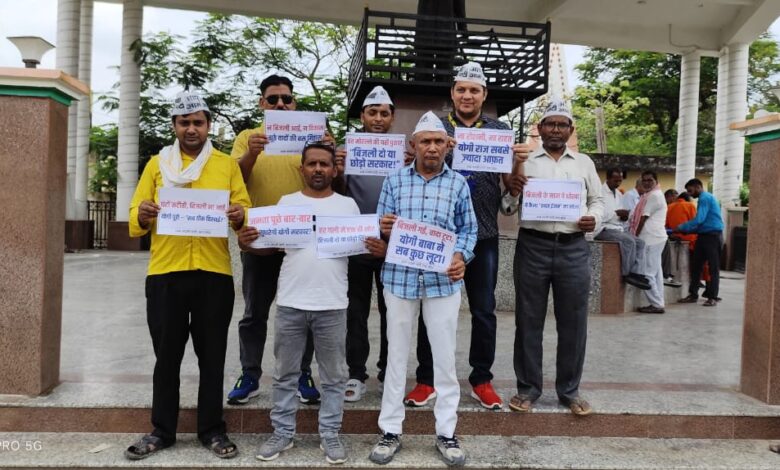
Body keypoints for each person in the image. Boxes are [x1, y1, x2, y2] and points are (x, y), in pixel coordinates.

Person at [240, 142, 385, 464]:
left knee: (334, 377)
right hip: (291, 302)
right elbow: (270, 246)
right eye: (312, 164)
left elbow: (360, 246)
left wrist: (377, 248)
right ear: (301, 168)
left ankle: (330, 434)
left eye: (324, 164)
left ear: (334, 170)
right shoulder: (287, 203)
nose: (318, 169)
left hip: (332, 304)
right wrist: (247, 244)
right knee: (285, 374)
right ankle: (282, 433)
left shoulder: (348, 206)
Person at [124, 92, 250, 460]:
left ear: (209, 125)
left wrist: (239, 214)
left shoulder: (226, 166)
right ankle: (162, 431)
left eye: (198, 122)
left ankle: (212, 430)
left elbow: (245, 209)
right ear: (174, 126)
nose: (191, 128)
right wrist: (143, 213)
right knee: (166, 357)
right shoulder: (156, 165)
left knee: (212, 357)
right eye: (184, 122)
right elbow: (134, 216)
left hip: (214, 273)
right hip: (166, 273)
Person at [405, 61, 529, 411]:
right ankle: (427, 379)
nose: (467, 95)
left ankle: (481, 379)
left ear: (484, 94)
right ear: (453, 93)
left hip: (484, 234)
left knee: (484, 309)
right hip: (438, 235)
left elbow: (509, 192)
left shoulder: (499, 130)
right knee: (431, 308)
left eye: (474, 90)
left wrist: (517, 167)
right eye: (461, 89)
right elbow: (417, 167)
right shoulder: (436, 127)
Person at [368, 111, 477, 466]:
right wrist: (384, 229)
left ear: (448, 146)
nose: (432, 147)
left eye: (438, 141)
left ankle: (446, 432)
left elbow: (468, 229)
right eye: (426, 141)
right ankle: (390, 430)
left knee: (444, 359)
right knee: (396, 357)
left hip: (442, 281)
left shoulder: (458, 184)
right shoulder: (394, 180)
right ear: (413, 145)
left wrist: (461, 255)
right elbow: (381, 225)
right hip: (399, 280)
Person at [501, 99, 603, 416]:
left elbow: (598, 201)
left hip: (574, 247)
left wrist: (594, 219)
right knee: (528, 320)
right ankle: (528, 389)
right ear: (540, 129)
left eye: (562, 124)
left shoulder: (584, 163)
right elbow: (507, 207)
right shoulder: (524, 161)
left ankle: (569, 391)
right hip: (533, 245)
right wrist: (513, 190)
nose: (556, 129)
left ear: (571, 129)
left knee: (574, 322)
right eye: (550, 124)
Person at [228, 74, 320, 406]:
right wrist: (251, 154)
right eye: (273, 99)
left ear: (294, 103)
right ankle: (250, 374)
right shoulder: (247, 137)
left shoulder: (310, 137)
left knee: (304, 312)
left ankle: (301, 373)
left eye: (287, 99)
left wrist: (327, 149)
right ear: (261, 103)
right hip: (260, 239)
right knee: (255, 312)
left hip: (301, 240)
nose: (281, 104)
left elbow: (325, 177)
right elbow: (233, 179)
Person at [340, 86, 396, 402]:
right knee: (355, 312)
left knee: (393, 312)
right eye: (372, 112)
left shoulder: (404, 152)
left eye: (384, 113)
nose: (377, 118)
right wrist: (338, 168)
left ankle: (389, 372)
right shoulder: (346, 148)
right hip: (356, 242)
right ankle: (355, 373)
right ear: (362, 116)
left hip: (391, 244)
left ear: (392, 118)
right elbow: (336, 192)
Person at [593, 167, 649, 290]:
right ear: (608, 178)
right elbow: (598, 215)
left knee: (640, 243)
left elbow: (620, 216)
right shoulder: (599, 192)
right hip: (603, 228)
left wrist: (624, 216)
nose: (618, 183)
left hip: (617, 227)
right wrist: (616, 213)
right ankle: (627, 273)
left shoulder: (618, 194)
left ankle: (637, 273)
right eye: (615, 180)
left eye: (620, 180)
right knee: (628, 241)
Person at [677, 178, 724, 307]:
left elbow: (699, 220)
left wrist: (682, 227)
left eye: (690, 190)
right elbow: (702, 223)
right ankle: (693, 295)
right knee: (696, 267)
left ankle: (712, 297)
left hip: (713, 237)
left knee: (713, 268)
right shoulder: (704, 198)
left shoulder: (705, 198)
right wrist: (687, 230)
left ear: (698, 187)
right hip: (703, 236)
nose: (689, 194)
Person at [630, 171, 668, 314]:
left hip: (651, 238)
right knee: (656, 273)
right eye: (644, 180)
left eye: (650, 180)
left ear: (656, 181)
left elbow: (643, 218)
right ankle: (659, 301)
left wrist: (635, 236)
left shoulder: (653, 196)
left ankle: (657, 304)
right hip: (656, 237)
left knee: (647, 273)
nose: (646, 183)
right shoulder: (650, 195)